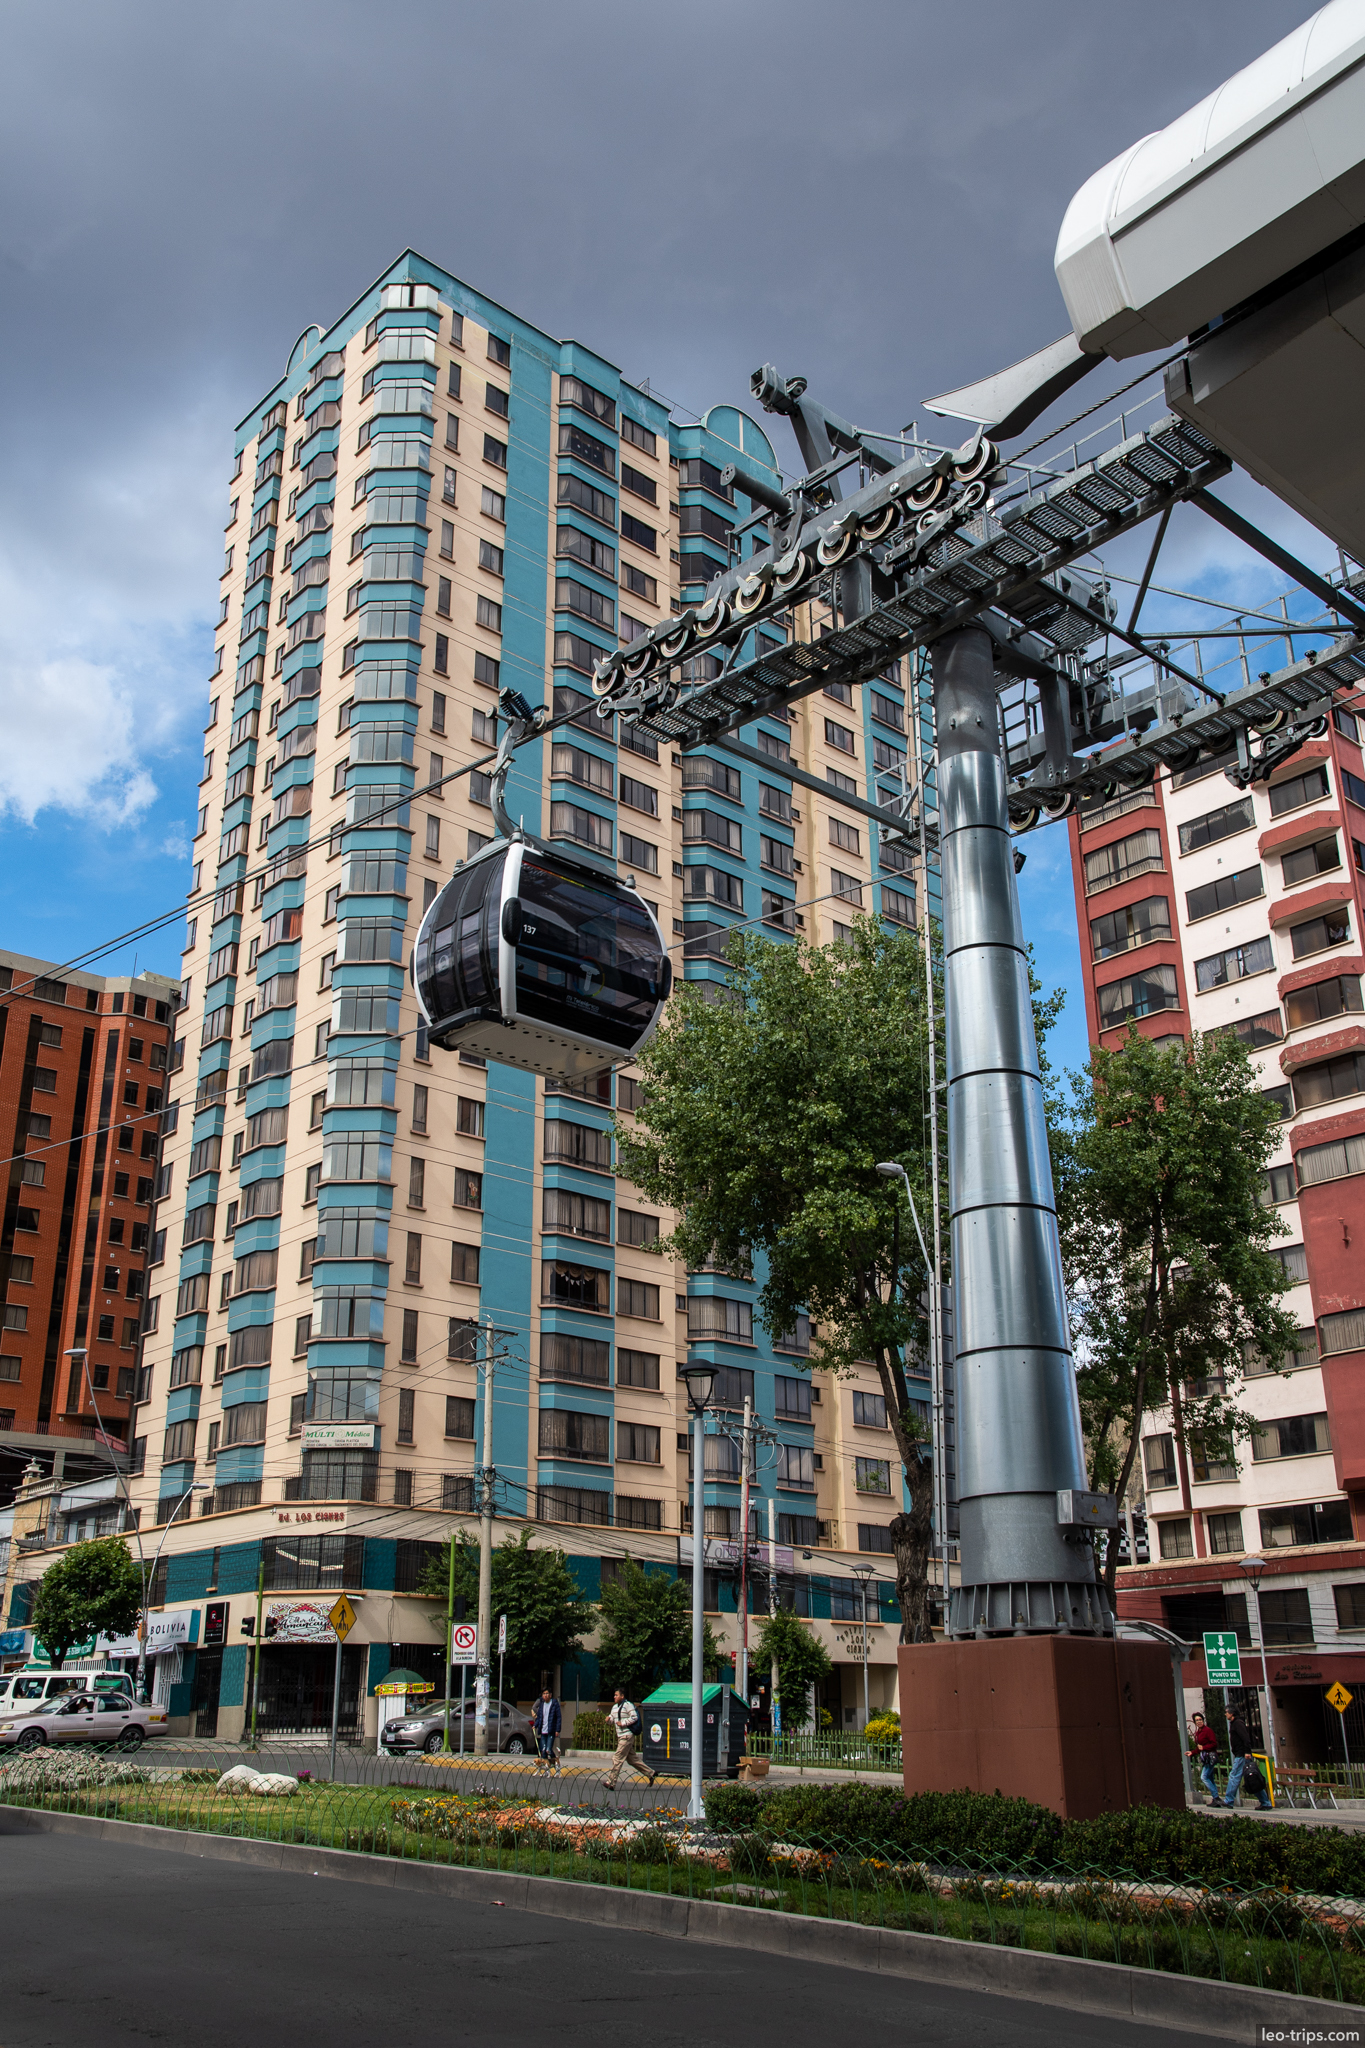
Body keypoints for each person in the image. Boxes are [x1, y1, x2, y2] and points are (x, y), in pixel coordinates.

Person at [601, 1687, 656, 1788]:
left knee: (617, 1758)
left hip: (627, 1736)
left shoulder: (628, 1705)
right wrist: (608, 1720)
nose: (614, 1697)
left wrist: (623, 1723)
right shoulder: (614, 1708)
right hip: (620, 1736)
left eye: (616, 1695)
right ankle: (651, 1773)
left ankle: (611, 1782)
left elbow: (634, 1717)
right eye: (614, 1695)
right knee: (632, 1760)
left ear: (622, 1696)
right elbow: (613, 1720)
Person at [1221, 1707, 1271, 1809]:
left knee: (1234, 1776)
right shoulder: (1236, 1723)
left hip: (1241, 1755)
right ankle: (1265, 1802)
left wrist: (1247, 1751)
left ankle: (1228, 1800)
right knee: (1251, 1777)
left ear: (1232, 1713)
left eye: (1226, 1712)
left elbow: (1245, 1738)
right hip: (1242, 1754)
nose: (1225, 1714)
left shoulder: (1238, 1723)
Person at [1190, 1711, 1220, 1803]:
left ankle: (1216, 1797)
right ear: (1194, 1722)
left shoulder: (1207, 1731)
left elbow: (1214, 1744)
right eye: (1197, 1720)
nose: (1199, 1721)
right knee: (1210, 1778)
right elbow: (1199, 1748)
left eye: (1200, 1719)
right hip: (1205, 1758)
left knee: (1204, 1777)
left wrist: (1204, 1747)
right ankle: (1216, 1799)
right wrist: (1192, 1752)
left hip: (1210, 1757)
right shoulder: (1198, 1733)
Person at [533, 1686, 561, 1772]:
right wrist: (535, 1725)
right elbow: (539, 1717)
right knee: (543, 1750)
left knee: (548, 1749)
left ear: (550, 1695)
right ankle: (546, 1768)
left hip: (551, 1730)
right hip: (543, 1730)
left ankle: (555, 1760)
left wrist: (557, 1730)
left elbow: (558, 1717)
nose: (545, 1695)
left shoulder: (554, 1704)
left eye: (547, 1693)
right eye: (544, 1694)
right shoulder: (541, 1704)